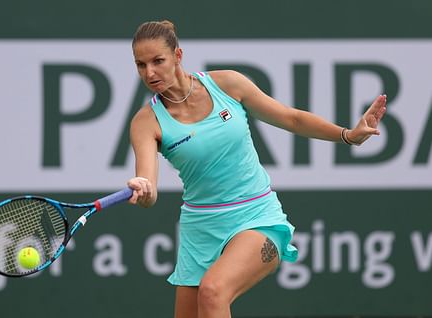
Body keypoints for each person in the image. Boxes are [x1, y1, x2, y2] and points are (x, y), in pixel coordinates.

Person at [126, 20, 387, 318]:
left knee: (213, 291)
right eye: (141, 65)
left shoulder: (228, 84)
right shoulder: (146, 122)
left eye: (158, 61)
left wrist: (347, 135)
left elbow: (292, 119)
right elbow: (149, 187)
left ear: (178, 55)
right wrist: (144, 189)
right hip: (199, 231)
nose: (150, 73)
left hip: (255, 217)